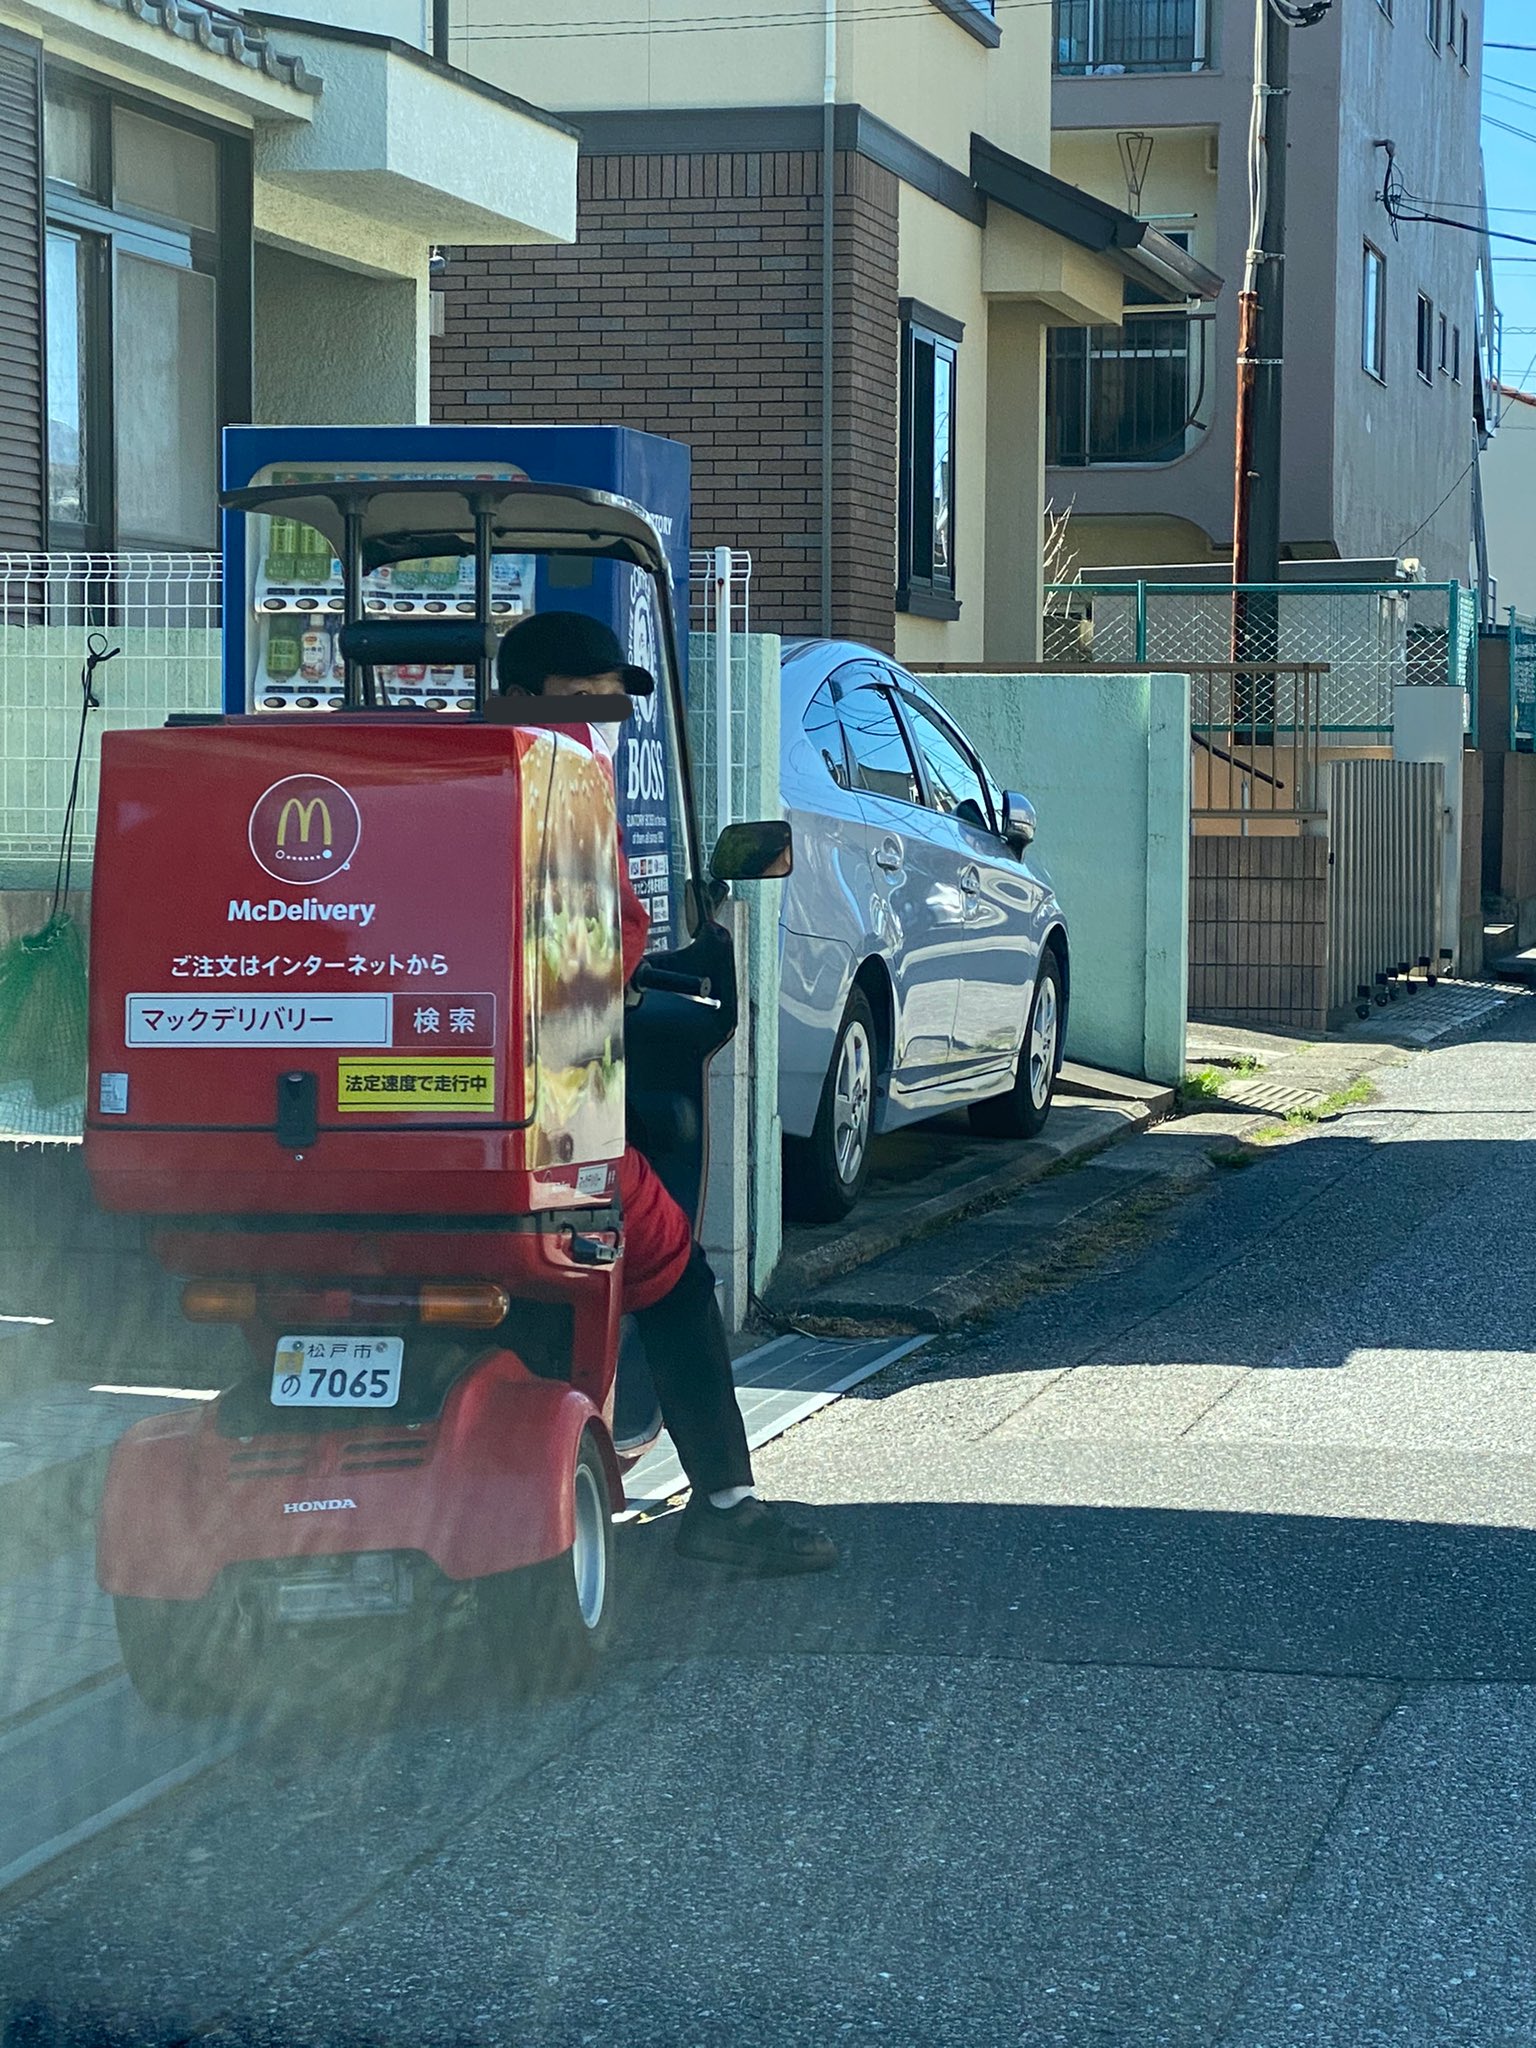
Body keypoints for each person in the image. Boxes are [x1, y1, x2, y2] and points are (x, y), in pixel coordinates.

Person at [496, 610, 837, 1575]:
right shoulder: (560, 783)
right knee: (674, 1271)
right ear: (536, 692)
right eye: (587, 697)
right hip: (541, 1121)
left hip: (352, 1130)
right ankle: (725, 1504)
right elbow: (605, 953)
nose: (602, 719)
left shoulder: (432, 772)